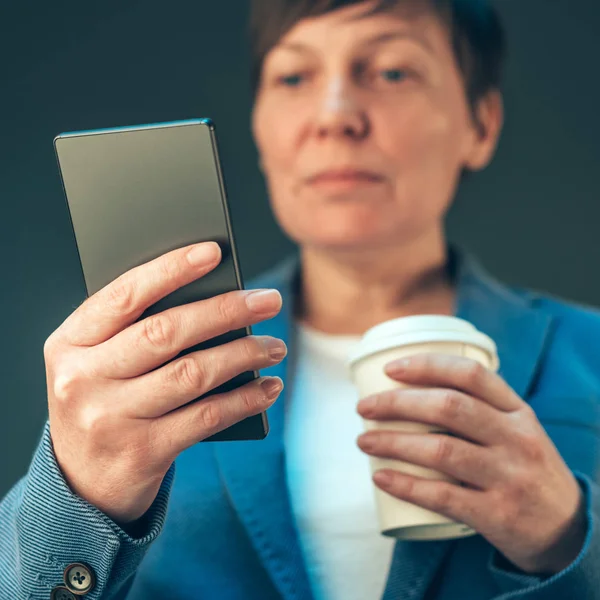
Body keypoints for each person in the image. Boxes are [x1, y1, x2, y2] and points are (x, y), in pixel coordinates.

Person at [1, 0, 599, 598]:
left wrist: (570, 537)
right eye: (293, 77)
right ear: (262, 128)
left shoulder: (588, 351)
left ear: (481, 124)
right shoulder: (136, 369)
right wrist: (74, 494)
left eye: (392, 72)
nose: (334, 116)